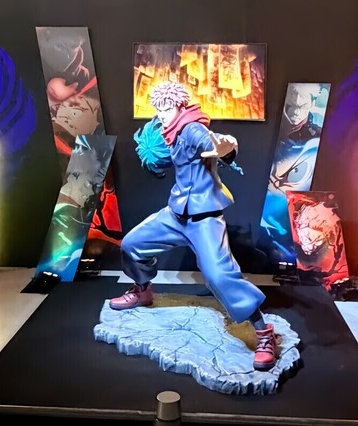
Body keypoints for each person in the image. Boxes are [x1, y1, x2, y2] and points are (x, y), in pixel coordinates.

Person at [109, 81, 277, 370]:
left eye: (166, 109)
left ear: (179, 106)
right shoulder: (170, 131)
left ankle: (264, 333)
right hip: (176, 215)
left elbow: (216, 143)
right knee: (132, 244)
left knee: (218, 274)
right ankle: (142, 290)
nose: (161, 114)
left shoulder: (191, 128)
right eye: (158, 109)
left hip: (204, 219)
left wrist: (225, 148)